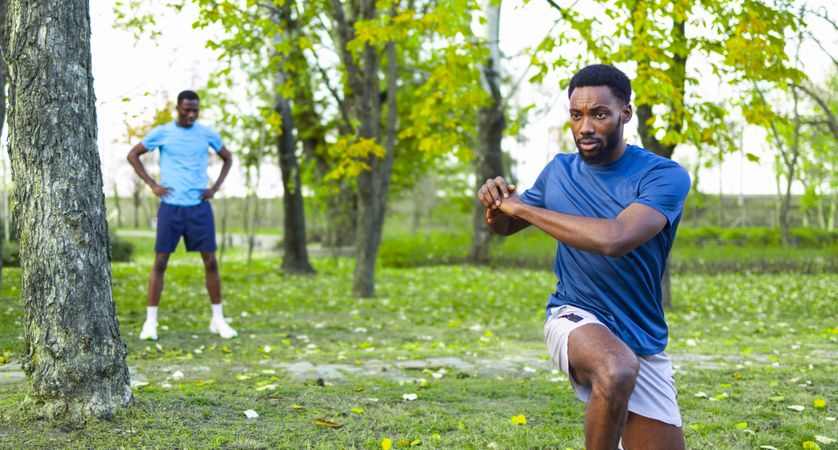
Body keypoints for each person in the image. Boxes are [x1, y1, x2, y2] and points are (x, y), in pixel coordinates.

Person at [477, 64, 690, 450]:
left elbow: (617, 238)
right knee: (616, 367)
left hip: (641, 335)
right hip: (575, 314)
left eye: (599, 114)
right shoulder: (559, 171)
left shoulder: (664, 176)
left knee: (627, 368)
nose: (585, 127)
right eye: (577, 115)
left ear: (625, 114)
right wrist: (497, 208)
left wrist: (521, 209)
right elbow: (507, 227)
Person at [127, 90, 237, 341]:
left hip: (199, 206)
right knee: (160, 262)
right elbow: (133, 155)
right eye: (186, 110)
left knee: (210, 261)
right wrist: (153, 185)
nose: (191, 114)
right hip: (171, 206)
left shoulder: (207, 133)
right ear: (177, 107)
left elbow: (227, 158)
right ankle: (150, 323)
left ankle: (218, 320)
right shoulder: (162, 132)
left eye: (195, 110)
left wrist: (215, 188)